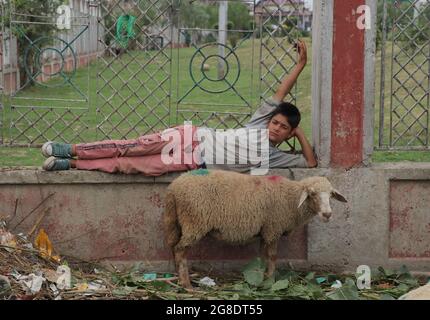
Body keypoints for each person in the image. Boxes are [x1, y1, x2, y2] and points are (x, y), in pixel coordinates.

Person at [41, 40, 317, 175]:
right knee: (132, 147)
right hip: (191, 137)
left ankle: (72, 164)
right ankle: (71, 148)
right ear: (269, 120)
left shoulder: (275, 158)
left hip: (193, 161)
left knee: (131, 167)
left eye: (283, 128)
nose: (276, 129)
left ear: (288, 133)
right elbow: (280, 94)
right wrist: (300, 65)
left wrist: (300, 134)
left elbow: (311, 163)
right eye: (275, 123)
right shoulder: (260, 124)